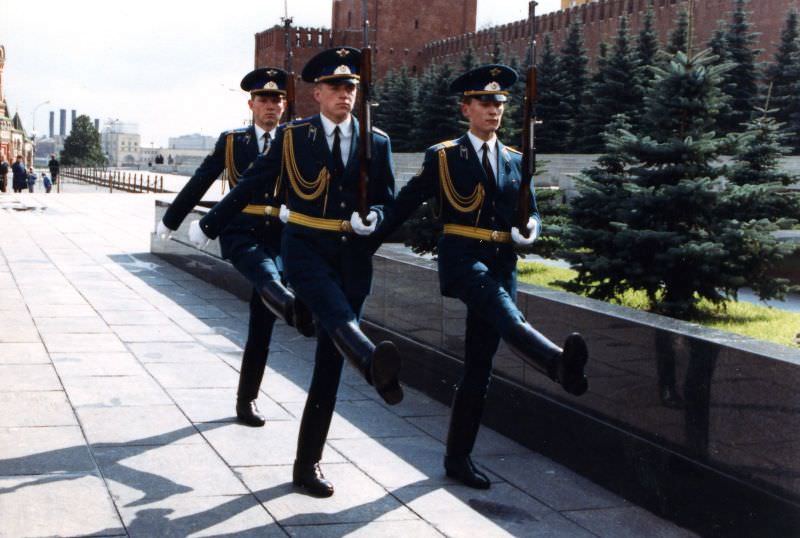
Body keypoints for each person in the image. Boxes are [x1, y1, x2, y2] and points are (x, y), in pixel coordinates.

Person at [190, 46, 403, 497]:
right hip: (305, 250)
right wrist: (211, 222)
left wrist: (376, 221)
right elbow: (250, 181)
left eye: (351, 88)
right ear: (318, 93)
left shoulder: (376, 142)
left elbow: (390, 201)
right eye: (335, 87)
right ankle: (369, 359)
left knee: (329, 364)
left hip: (352, 259)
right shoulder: (293, 137)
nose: (344, 95)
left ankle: (307, 465)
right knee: (334, 319)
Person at [374, 64, 589, 490]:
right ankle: (555, 362)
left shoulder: (514, 159)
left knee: (479, 367)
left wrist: (532, 228)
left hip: (502, 260)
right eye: (485, 103)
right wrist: (365, 237)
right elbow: (406, 202)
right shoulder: (445, 155)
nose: (494, 110)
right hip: (463, 257)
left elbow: (530, 209)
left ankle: (457, 458)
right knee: (507, 314)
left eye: (500, 103)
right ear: (465, 108)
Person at [157, 67, 315, 428]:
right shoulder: (232, 142)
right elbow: (202, 179)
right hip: (240, 232)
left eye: (277, 100)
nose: (270, 106)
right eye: (263, 99)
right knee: (264, 275)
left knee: (262, 322)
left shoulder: (295, 140)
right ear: (251, 104)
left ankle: (247, 400)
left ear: (285, 104)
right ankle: (295, 310)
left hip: (280, 233)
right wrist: (171, 220)